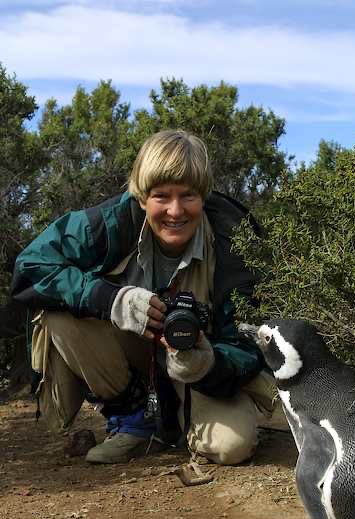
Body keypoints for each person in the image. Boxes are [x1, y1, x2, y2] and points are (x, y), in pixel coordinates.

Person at [11, 130, 276, 465]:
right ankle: (134, 418)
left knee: (232, 445)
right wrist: (110, 299)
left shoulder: (232, 239)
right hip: (128, 347)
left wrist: (207, 362)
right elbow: (31, 266)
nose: (175, 211)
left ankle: (177, 418)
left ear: (204, 195)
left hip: (199, 358)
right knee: (58, 312)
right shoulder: (108, 224)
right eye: (161, 196)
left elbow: (251, 341)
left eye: (188, 196)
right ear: (140, 197)